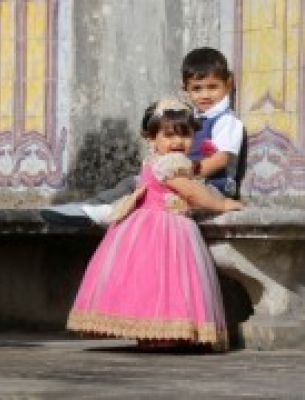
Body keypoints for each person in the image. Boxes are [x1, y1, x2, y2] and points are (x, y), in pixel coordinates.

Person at [66, 97, 243, 351]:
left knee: (154, 281)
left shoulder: (159, 161)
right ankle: (160, 332)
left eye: (185, 135)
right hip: (161, 227)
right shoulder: (169, 164)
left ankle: (153, 333)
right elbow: (191, 192)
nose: (177, 142)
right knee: (161, 280)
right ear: (151, 139)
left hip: (152, 224)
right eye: (169, 136)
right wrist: (222, 204)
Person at [41, 47, 244, 227]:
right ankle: (92, 208)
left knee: (149, 188)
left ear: (228, 83)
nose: (205, 95)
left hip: (210, 187)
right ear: (185, 89)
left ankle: (107, 211)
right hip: (182, 181)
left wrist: (182, 171)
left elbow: (221, 159)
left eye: (212, 87)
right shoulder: (191, 117)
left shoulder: (227, 121)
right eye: (197, 89)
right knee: (135, 181)